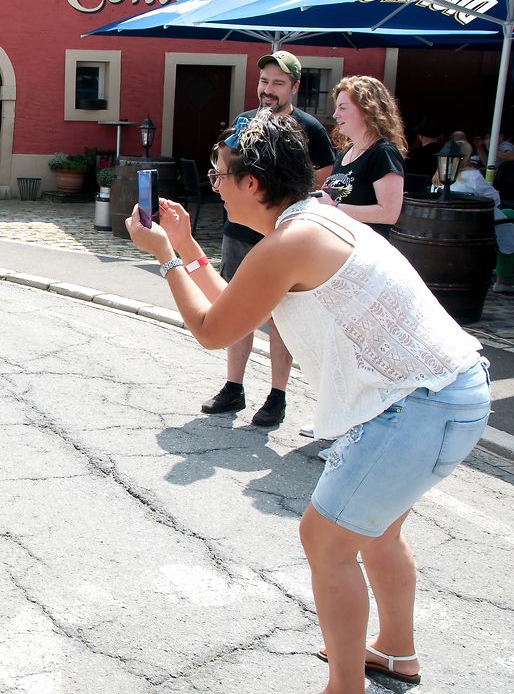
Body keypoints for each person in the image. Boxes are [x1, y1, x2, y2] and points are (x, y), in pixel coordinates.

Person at [126, 109, 488, 694]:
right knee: (375, 532)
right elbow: (239, 309)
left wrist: (163, 257)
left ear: (253, 184)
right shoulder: (310, 224)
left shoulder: (289, 242)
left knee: (325, 537)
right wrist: (189, 246)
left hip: (417, 405)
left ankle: (344, 688)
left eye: (221, 174)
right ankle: (396, 652)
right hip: (451, 392)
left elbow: (213, 330)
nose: (214, 183)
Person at [204, 51, 334, 427]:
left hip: (284, 237)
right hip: (241, 232)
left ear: (294, 86)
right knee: (234, 303)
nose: (268, 89)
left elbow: (325, 170)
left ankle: (277, 395)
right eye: (264, 81)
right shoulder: (244, 123)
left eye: (278, 83)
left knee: (282, 316)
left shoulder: (309, 127)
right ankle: (233, 387)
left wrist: (290, 194)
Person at [321, 76, 406, 236]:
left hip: (365, 252)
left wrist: (333, 208)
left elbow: (389, 214)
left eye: (343, 107)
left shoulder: (383, 153)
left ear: (367, 110)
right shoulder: (344, 153)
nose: (335, 114)